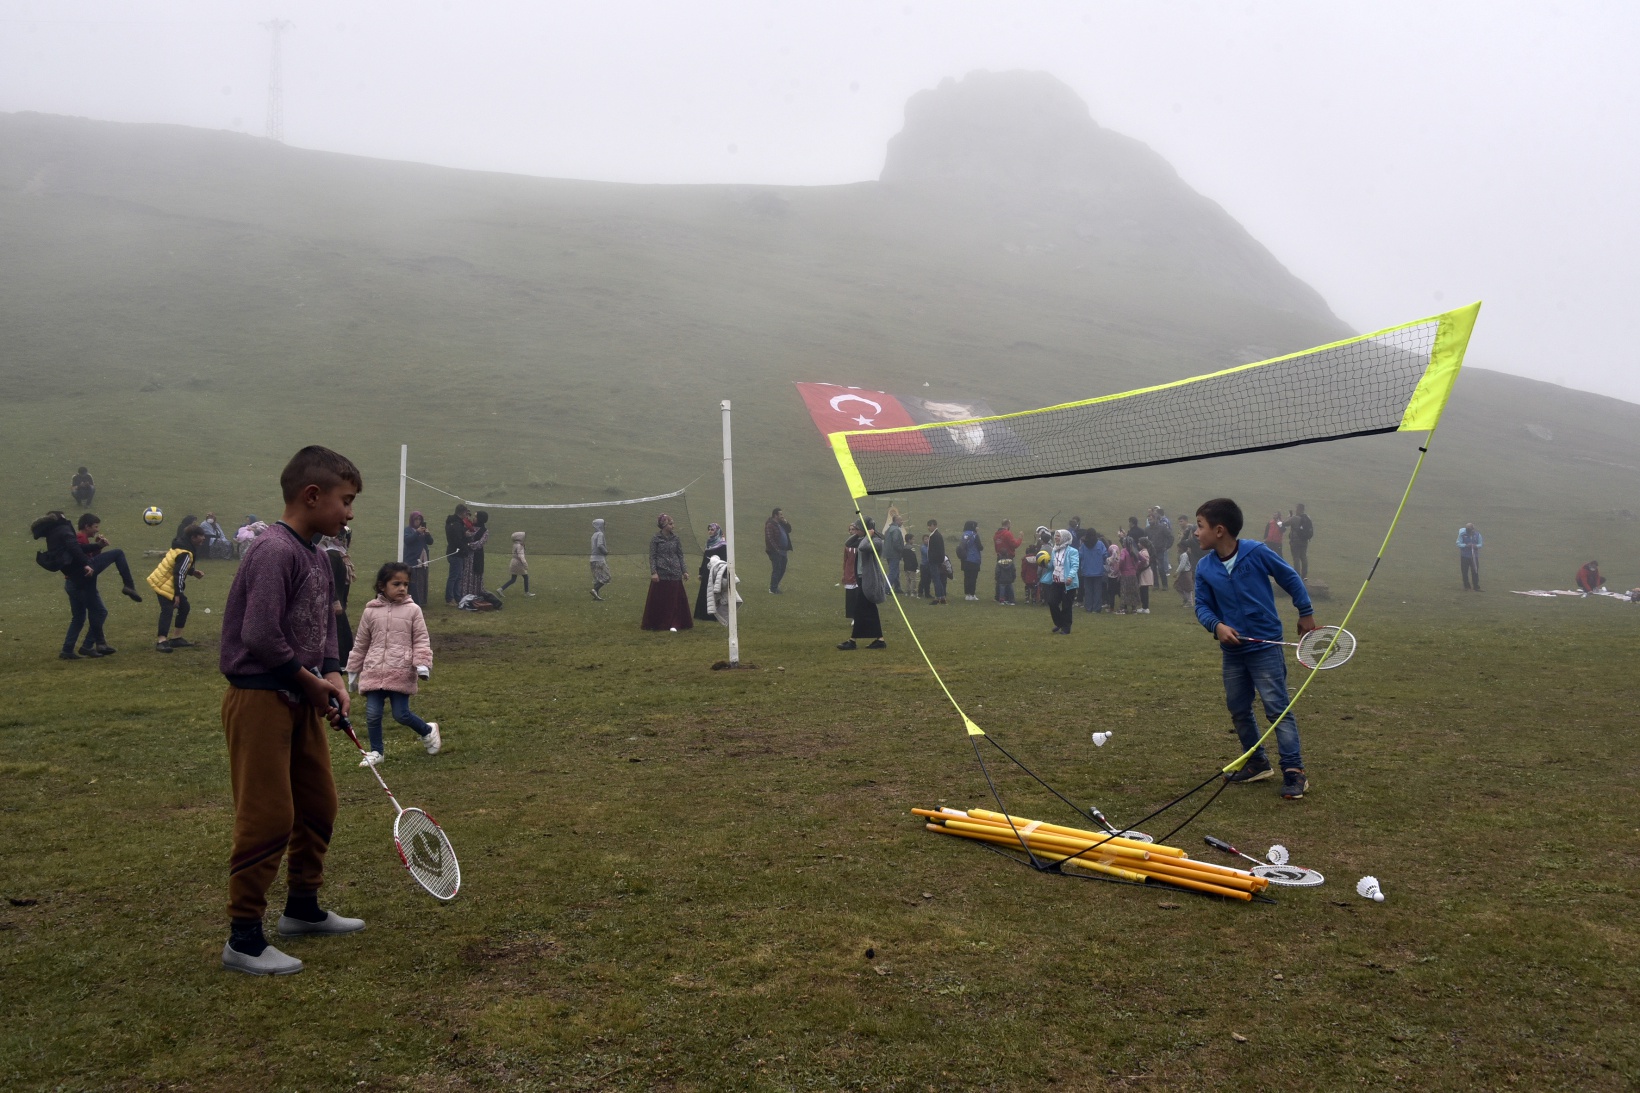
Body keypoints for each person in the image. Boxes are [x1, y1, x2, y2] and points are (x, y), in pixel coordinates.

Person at [217, 445, 364, 976]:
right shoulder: (273, 550)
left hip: (300, 695)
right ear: (312, 495)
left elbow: (325, 625)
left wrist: (331, 675)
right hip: (260, 699)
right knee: (268, 817)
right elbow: (258, 635)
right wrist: (307, 682)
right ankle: (244, 939)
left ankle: (302, 908)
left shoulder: (319, 556)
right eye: (345, 501)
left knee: (319, 804)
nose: (349, 512)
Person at [1193, 497, 1317, 801]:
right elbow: (1202, 606)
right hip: (1233, 652)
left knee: (1277, 708)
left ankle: (1294, 771)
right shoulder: (1205, 567)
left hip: (1265, 646)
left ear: (1219, 530)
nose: (1196, 533)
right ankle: (1257, 762)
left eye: (1200, 526)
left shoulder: (1256, 552)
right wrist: (1217, 626)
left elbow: (1289, 577)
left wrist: (1305, 611)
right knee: (1238, 708)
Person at [346, 562, 441, 768]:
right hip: (374, 671)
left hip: (401, 670)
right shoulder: (370, 612)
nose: (402, 588)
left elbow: (421, 639)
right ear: (382, 586)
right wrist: (353, 669)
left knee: (401, 714)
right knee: (372, 714)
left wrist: (422, 664)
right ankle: (376, 752)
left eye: (405, 584)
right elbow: (361, 643)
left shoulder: (413, 610)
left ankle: (427, 730)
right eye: (396, 583)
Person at [149, 522, 208, 653]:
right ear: (193, 537)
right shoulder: (186, 552)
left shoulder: (181, 546)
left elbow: (177, 566)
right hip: (164, 583)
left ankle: (176, 638)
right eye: (201, 536)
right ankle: (161, 641)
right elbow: (179, 573)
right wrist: (177, 594)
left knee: (184, 607)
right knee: (168, 610)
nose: (204, 538)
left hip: (163, 581)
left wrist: (192, 572)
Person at [839, 518, 887, 649]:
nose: (856, 531)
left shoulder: (876, 541)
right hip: (861, 578)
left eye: (859, 528)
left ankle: (852, 641)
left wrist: (869, 535)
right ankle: (880, 640)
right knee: (870, 609)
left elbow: (863, 547)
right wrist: (860, 533)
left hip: (870, 579)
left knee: (859, 609)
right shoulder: (862, 539)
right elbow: (848, 543)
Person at [642, 513, 692, 630]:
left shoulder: (676, 538)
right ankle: (659, 622)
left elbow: (680, 555)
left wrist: (684, 571)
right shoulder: (656, 539)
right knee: (660, 600)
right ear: (663, 525)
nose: (673, 526)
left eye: (673, 523)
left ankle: (675, 622)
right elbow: (652, 556)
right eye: (670, 524)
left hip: (675, 573)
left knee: (675, 600)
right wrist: (654, 572)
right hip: (661, 574)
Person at [321, 527, 356, 666]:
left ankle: (341, 662)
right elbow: (329, 580)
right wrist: (335, 600)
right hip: (333, 603)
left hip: (339, 600)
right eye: (344, 537)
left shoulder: (339, 555)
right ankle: (337, 662)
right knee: (338, 633)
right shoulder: (331, 555)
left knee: (342, 632)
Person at [1044, 529, 1080, 634]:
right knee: (1052, 602)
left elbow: (1075, 565)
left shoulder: (1072, 551)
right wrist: (1044, 562)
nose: (1056, 538)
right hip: (1056, 581)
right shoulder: (1054, 550)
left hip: (1067, 583)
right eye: (1055, 536)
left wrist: (1070, 577)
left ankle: (1066, 628)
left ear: (1064, 538)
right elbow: (1052, 566)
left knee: (1066, 606)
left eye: (1058, 536)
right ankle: (1059, 623)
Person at [695, 523, 728, 621]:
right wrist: (701, 572)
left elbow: (724, 560)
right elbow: (705, 558)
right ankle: (702, 614)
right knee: (705, 592)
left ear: (717, 531)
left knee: (714, 593)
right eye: (709, 529)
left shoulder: (722, 545)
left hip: (716, 572)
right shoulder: (709, 543)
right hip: (706, 571)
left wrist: (723, 573)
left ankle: (714, 616)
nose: (710, 531)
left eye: (712, 529)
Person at [402, 512, 435, 607]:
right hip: (412, 559)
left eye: (419, 520)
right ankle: (413, 601)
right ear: (412, 520)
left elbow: (430, 542)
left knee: (422, 579)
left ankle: (422, 600)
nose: (418, 521)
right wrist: (417, 532)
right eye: (416, 519)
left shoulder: (423, 531)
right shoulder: (408, 530)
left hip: (423, 560)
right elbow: (407, 540)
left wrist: (428, 534)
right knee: (413, 581)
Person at [443, 505, 470, 605]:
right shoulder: (456, 525)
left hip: (454, 552)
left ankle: (457, 596)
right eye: (466, 513)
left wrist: (464, 535)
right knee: (454, 576)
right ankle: (449, 598)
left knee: (458, 576)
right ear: (463, 513)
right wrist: (465, 544)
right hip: (456, 553)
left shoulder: (453, 523)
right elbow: (457, 540)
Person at [764, 507, 793, 594]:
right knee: (777, 569)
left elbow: (789, 530)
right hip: (775, 551)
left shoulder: (781, 523)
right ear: (775, 515)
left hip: (783, 551)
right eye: (780, 514)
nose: (782, 516)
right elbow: (769, 538)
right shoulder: (770, 524)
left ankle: (775, 587)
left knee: (782, 569)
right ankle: (772, 589)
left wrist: (786, 522)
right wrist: (776, 549)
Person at [993, 519, 1021, 605]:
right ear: (1008, 525)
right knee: (1008, 578)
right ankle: (1009, 598)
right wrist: (1020, 538)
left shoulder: (996, 535)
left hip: (999, 557)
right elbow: (1014, 544)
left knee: (1000, 578)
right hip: (1008, 557)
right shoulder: (1007, 534)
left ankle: (999, 597)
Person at [464, 511, 490, 597]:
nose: (473, 518)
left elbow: (479, 544)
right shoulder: (469, 527)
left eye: (476, 517)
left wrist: (468, 544)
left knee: (476, 574)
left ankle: (475, 593)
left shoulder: (485, 531)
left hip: (477, 556)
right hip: (467, 556)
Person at [499, 531, 532, 597]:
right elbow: (521, 556)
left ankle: (501, 589)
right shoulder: (519, 546)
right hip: (518, 564)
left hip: (513, 562)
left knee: (513, 579)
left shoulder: (515, 544)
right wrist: (525, 564)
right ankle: (526, 592)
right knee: (526, 577)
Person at [1148, 509, 1174, 590]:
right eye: (1148, 520)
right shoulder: (1147, 529)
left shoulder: (1162, 527)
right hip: (1151, 551)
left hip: (1160, 551)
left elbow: (1171, 537)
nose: (1149, 521)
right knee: (1153, 569)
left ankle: (1165, 585)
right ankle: (1156, 585)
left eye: (1151, 519)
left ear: (1156, 519)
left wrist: (1167, 546)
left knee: (1161, 568)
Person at [1081, 530, 1106, 612]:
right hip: (1098, 571)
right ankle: (1096, 608)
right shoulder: (1100, 544)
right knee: (1097, 591)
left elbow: (1079, 555)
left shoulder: (1084, 545)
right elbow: (1105, 554)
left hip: (1086, 571)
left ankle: (1088, 607)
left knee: (1088, 591)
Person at [958, 519, 984, 600]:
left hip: (965, 559)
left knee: (967, 577)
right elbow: (980, 547)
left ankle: (967, 594)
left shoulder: (964, 535)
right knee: (973, 577)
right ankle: (972, 594)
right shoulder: (974, 535)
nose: (977, 528)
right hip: (974, 559)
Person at [925, 519, 948, 605]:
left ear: (933, 525)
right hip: (937, 560)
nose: (928, 528)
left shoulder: (935, 536)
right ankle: (942, 597)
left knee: (936, 579)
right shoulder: (937, 535)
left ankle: (938, 597)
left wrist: (932, 559)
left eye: (929, 526)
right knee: (937, 579)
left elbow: (935, 550)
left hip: (934, 561)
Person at [883, 508, 906, 595]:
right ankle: (886, 589)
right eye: (901, 520)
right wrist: (901, 550)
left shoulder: (889, 529)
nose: (902, 522)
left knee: (896, 571)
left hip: (888, 554)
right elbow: (896, 541)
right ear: (896, 521)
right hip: (894, 554)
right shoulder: (896, 530)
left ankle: (897, 587)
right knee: (893, 572)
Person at [1116, 537, 1140, 615]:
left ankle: (1122, 608)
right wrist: (1136, 567)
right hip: (1133, 574)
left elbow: (1122, 560)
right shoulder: (1135, 551)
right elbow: (1143, 560)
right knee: (1133, 591)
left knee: (1124, 591)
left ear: (1125, 543)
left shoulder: (1124, 551)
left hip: (1125, 574)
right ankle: (1134, 609)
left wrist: (1120, 568)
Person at [1288, 504, 1314, 579]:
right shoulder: (1307, 518)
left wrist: (1290, 517)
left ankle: (1297, 575)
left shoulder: (1294, 518)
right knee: (1303, 557)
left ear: (1298, 509)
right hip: (1304, 540)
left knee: (1296, 558)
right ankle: (1304, 575)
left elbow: (1284, 523)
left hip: (1295, 541)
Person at [590, 518, 611, 599]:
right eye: (604, 524)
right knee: (606, 577)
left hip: (592, 559)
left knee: (597, 578)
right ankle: (595, 589)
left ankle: (596, 596)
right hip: (599, 559)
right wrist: (606, 552)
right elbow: (599, 545)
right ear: (600, 525)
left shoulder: (593, 535)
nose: (605, 526)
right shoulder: (600, 534)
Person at [1457, 523, 1483, 591]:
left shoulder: (1477, 535)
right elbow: (1458, 543)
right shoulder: (1462, 534)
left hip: (1474, 557)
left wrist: (1476, 546)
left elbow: (1480, 544)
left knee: (1475, 571)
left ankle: (1476, 586)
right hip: (1464, 556)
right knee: (1464, 571)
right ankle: (1466, 586)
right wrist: (1465, 545)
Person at [1135, 537, 1154, 614]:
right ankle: (1144, 607)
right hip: (1144, 573)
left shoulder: (1144, 553)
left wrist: (1138, 566)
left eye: (1139, 542)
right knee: (1143, 590)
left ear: (1142, 544)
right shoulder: (1143, 551)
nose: (1138, 544)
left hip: (1145, 573)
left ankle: (1146, 607)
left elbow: (1145, 562)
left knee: (1144, 591)